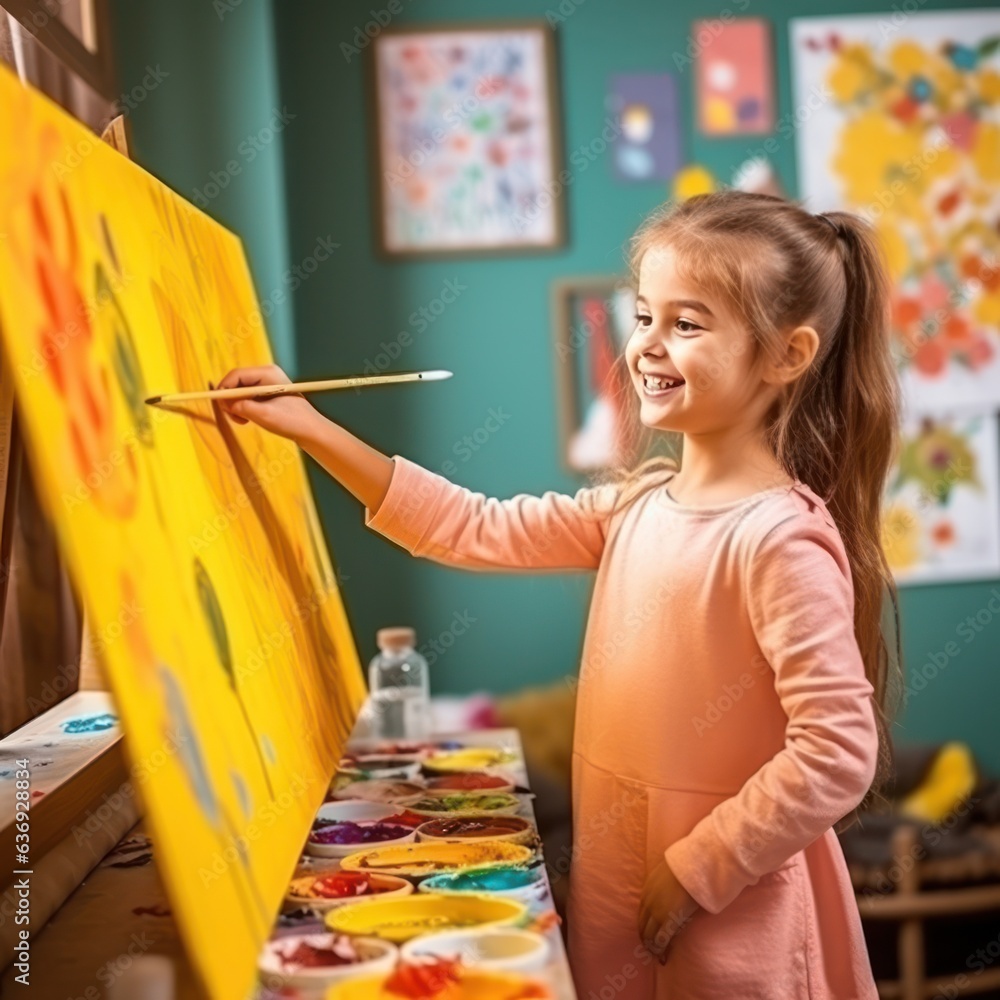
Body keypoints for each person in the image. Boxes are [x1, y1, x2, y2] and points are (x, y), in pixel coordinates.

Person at [216, 189, 901, 999]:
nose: (647, 345)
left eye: (687, 324)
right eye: (644, 314)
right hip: (616, 875)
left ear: (788, 356)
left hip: (732, 902)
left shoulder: (779, 540)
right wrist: (309, 425)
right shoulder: (635, 504)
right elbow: (467, 525)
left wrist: (696, 869)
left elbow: (837, 752)